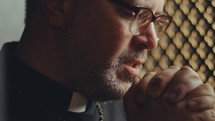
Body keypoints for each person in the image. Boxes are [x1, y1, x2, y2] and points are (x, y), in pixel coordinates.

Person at [1, 0, 215, 121]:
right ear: (58, 5)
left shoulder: (143, 110)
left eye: (155, 20)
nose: (153, 41)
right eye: (132, 12)